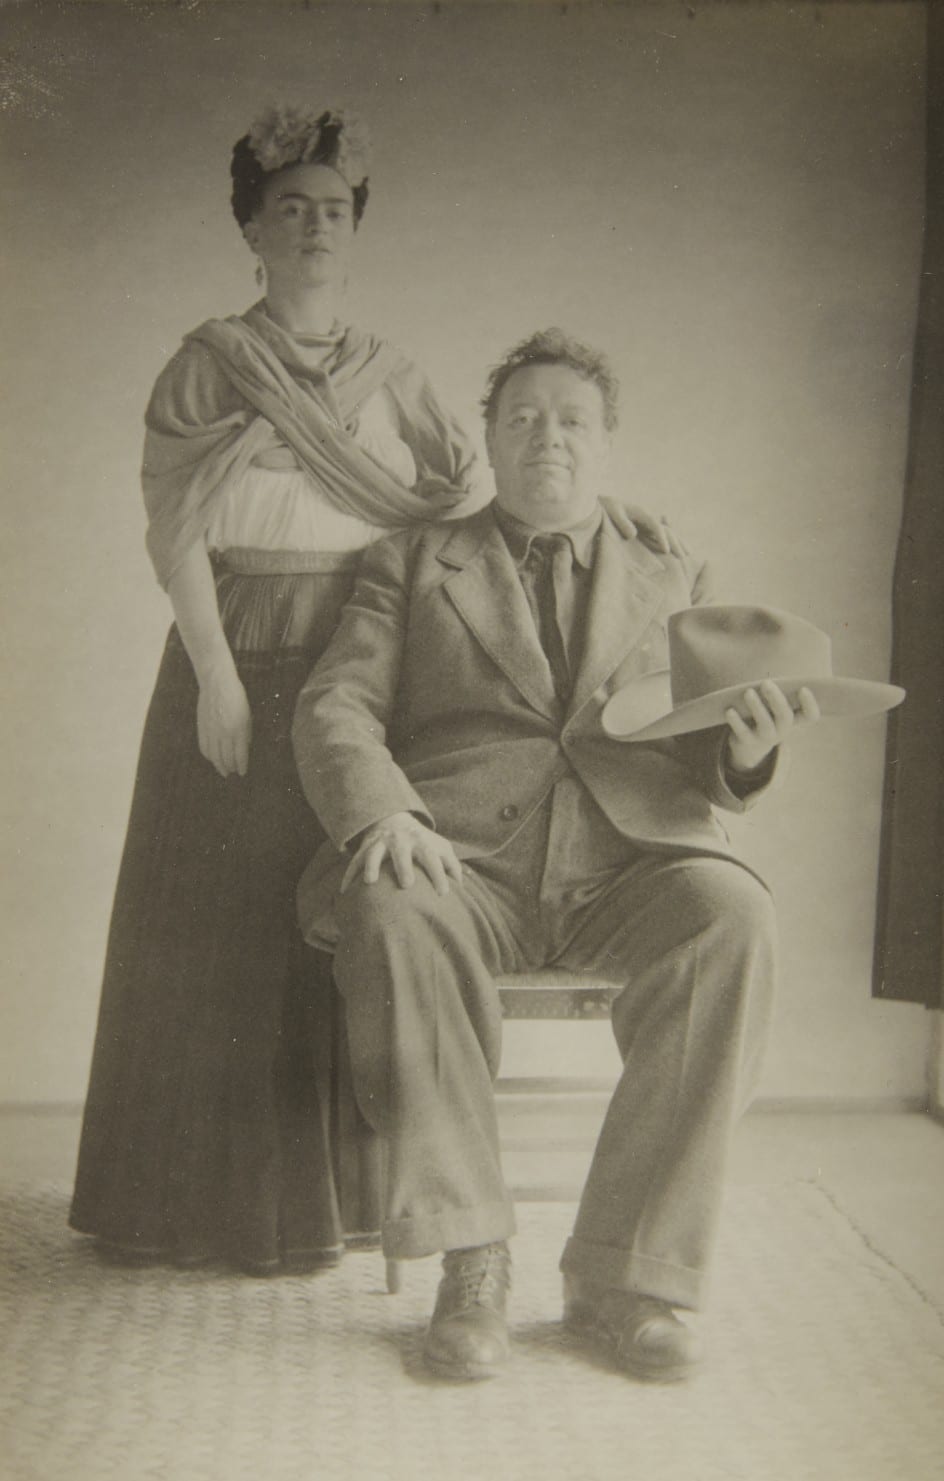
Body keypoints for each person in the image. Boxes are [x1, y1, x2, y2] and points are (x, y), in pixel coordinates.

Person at [70, 115, 676, 1275]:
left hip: (360, 655)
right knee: (212, 928)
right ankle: (177, 1208)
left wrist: (615, 518)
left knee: (347, 907)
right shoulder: (208, 362)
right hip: (234, 647)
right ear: (252, 229)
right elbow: (177, 527)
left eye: (333, 210)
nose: (313, 228)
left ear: (355, 230)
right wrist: (213, 674)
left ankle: (342, 1204)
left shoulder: (393, 376)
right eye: (289, 209)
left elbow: (482, 502)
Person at [290, 326, 836, 1380]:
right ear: (490, 440)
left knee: (734, 914)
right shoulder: (409, 561)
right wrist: (386, 813)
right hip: (460, 860)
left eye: (573, 419)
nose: (549, 436)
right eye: (524, 417)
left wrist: (745, 754)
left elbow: (702, 741)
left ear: (606, 443)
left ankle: (627, 1275)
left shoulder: (673, 566)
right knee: (391, 901)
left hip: (627, 862)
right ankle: (473, 1257)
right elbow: (335, 705)